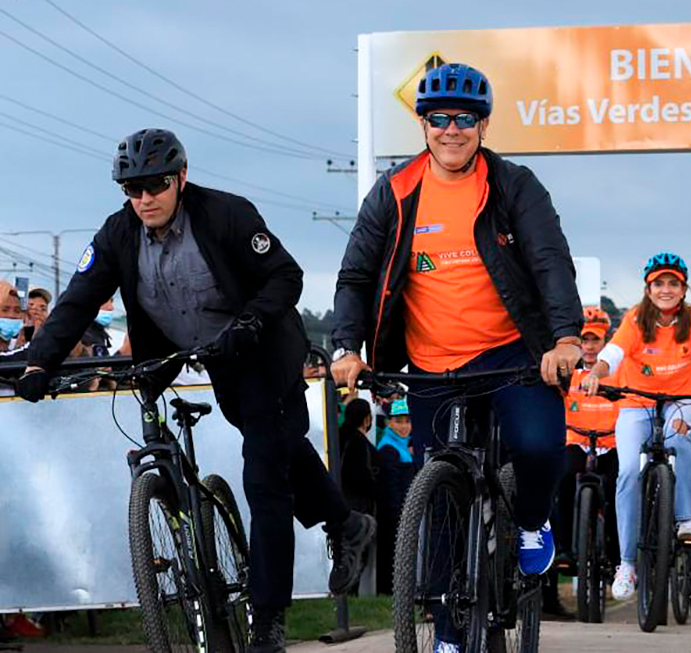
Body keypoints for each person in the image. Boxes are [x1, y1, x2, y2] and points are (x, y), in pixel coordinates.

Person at [16, 128, 375, 653]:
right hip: (186, 354)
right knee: (279, 448)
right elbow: (77, 301)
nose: (145, 199)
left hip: (259, 352)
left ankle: (269, 619)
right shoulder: (118, 234)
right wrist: (38, 365)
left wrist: (251, 323)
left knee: (264, 475)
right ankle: (345, 522)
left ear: (181, 178)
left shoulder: (226, 215)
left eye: (156, 185)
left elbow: (286, 276)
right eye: (132, 189)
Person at [329, 62, 582, 652]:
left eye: (464, 119)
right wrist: (346, 346)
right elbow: (356, 276)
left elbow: (549, 262)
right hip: (431, 365)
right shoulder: (393, 192)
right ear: (421, 125)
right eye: (438, 119)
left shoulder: (515, 185)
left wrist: (565, 338)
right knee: (435, 498)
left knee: (542, 447)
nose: (451, 130)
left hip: (512, 354)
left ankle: (530, 520)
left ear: (484, 126)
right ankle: (445, 635)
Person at [581, 253, 691, 600]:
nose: (666, 289)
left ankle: (687, 519)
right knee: (627, 471)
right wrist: (596, 375)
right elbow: (612, 354)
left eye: (673, 283)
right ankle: (627, 564)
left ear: (684, 288)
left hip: (683, 402)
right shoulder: (634, 318)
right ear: (648, 288)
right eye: (659, 283)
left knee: (679, 430)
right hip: (636, 404)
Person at [548, 306, 619, 618]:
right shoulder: (567, 374)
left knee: (620, 489)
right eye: (585, 340)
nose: (590, 347)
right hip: (576, 441)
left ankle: (617, 557)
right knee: (563, 480)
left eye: (596, 340)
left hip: (610, 443)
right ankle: (564, 549)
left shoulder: (616, 372)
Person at [375, 398, 415, 595]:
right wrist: (398, 516)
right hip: (394, 516)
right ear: (389, 422)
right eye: (398, 421)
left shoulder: (404, 447)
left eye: (407, 421)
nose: (404, 427)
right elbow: (390, 489)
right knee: (392, 556)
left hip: (405, 512)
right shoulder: (388, 449)